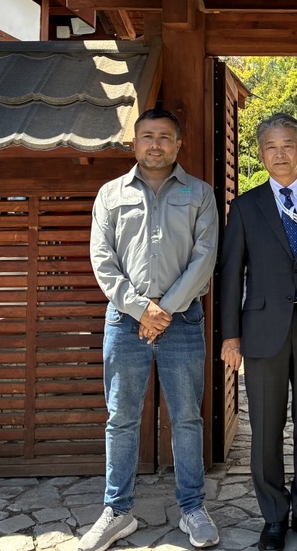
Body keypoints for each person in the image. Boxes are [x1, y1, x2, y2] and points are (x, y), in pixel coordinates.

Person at [82, 108, 219, 551]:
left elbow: (205, 257)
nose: (155, 144)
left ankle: (192, 508)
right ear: (134, 143)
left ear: (179, 145)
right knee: (121, 418)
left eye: (164, 137)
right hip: (125, 323)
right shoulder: (110, 194)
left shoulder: (200, 194)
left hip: (182, 322)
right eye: (147, 136)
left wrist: (165, 310)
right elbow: (102, 261)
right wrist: (142, 309)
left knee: (186, 418)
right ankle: (117, 511)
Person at [219, 113, 297, 551]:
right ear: (260, 153)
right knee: (266, 428)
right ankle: (274, 516)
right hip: (261, 330)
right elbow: (230, 274)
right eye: (271, 146)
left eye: (288, 145)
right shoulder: (245, 206)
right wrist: (230, 335)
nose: (280, 153)